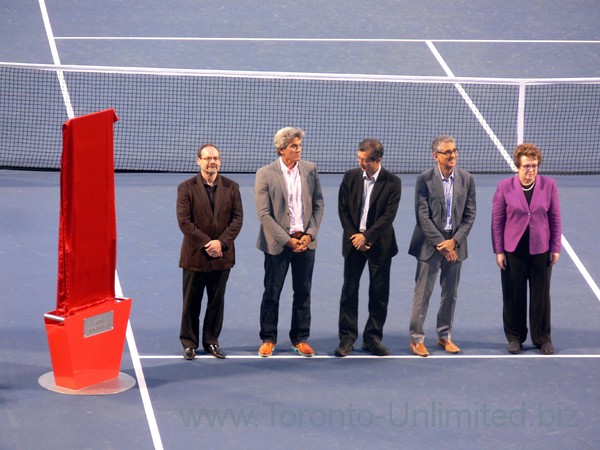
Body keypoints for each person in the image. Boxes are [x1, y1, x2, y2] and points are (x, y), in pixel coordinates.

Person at [255, 127, 324, 357]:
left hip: (305, 243)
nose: (298, 150)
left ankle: (300, 338)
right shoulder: (265, 173)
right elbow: (264, 215)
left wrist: (309, 234)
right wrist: (288, 241)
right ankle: (268, 338)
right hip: (278, 245)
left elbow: (318, 204)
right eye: (294, 146)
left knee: (303, 292)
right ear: (281, 149)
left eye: (299, 145)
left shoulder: (310, 170)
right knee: (272, 292)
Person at [408, 135, 476, 357]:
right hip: (431, 244)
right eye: (447, 152)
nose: (453, 155)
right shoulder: (424, 179)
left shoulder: (467, 179)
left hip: (456, 243)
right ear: (435, 155)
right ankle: (417, 339)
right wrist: (442, 244)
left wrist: (454, 242)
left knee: (450, 293)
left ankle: (444, 336)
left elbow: (470, 214)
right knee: (423, 293)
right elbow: (422, 216)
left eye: (455, 151)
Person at [492, 143, 561, 355]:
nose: (530, 170)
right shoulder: (505, 187)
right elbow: (497, 220)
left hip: (540, 249)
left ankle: (542, 339)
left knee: (541, 296)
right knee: (513, 295)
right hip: (514, 250)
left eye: (534, 166)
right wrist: (499, 250)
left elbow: (555, 218)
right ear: (518, 167)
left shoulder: (549, 185)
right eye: (526, 166)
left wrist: (555, 247)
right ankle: (515, 337)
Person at [335, 138, 402, 357]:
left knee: (379, 294)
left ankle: (372, 339)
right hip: (354, 242)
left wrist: (368, 237)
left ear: (378, 160)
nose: (361, 163)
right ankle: (347, 339)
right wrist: (356, 236)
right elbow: (343, 209)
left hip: (379, 245)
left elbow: (387, 217)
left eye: (365, 160)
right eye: (359, 158)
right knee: (349, 292)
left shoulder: (393, 182)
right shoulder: (350, 177)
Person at [176, 143, 243, 360]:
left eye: (215, 158)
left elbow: (237, 219)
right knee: (191, 302)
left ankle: (212, 341)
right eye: (207, 158)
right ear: (199, 161)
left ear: (219, 161)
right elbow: (185, 222)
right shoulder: (186, 188)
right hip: (195, 256)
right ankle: (189, 343)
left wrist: (220, 243)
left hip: (222, 257)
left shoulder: (232, 187)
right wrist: (208, 244)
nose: (212, 162)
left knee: (216, 302)